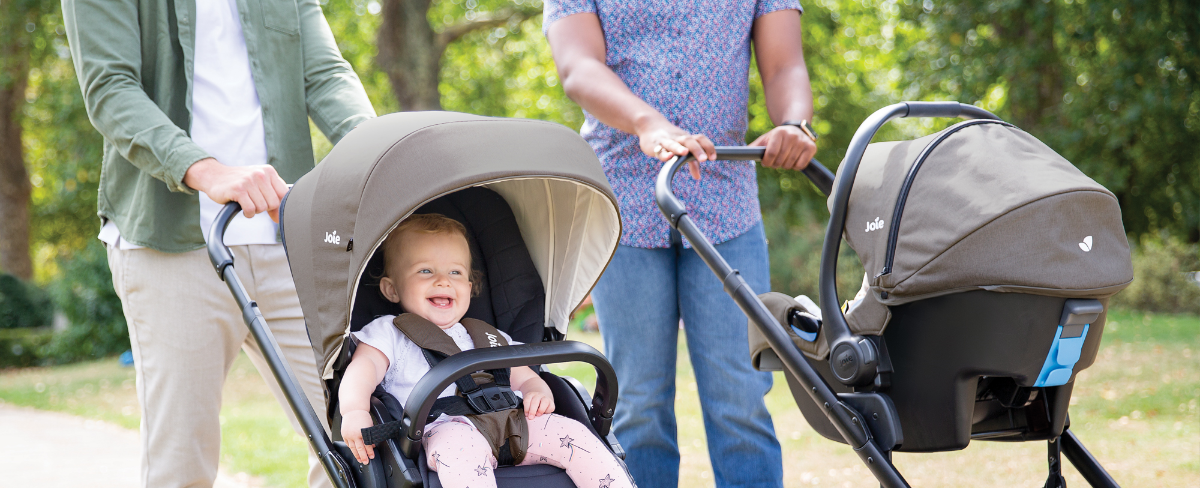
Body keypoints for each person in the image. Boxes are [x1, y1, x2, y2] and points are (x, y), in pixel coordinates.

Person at [61, 0, 376, 486]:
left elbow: (325, 74)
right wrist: (208, 171)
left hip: (290, 238)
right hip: (169, 245)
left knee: (358, 444)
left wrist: (382, 155)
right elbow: (110, 89)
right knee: (181, 465)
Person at [543, 1, 818, 487]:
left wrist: (794, 123)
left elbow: (783, 64)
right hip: (624, 203)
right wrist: (648, 122)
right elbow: (578, 66)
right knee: (638, 407)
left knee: (741, 402)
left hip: (726, 204)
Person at [338, 214, 634, 488]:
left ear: (469, 286)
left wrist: (536, 390)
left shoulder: (486, 334)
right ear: (392, 289)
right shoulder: (390, 332)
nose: (443, 280)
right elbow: (362, 371)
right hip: (444, 429)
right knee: (460, 454)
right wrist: (354, 411)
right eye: (425, 270)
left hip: (514, 422)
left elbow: (522, 374)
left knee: (578, 438)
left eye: (455, 272)